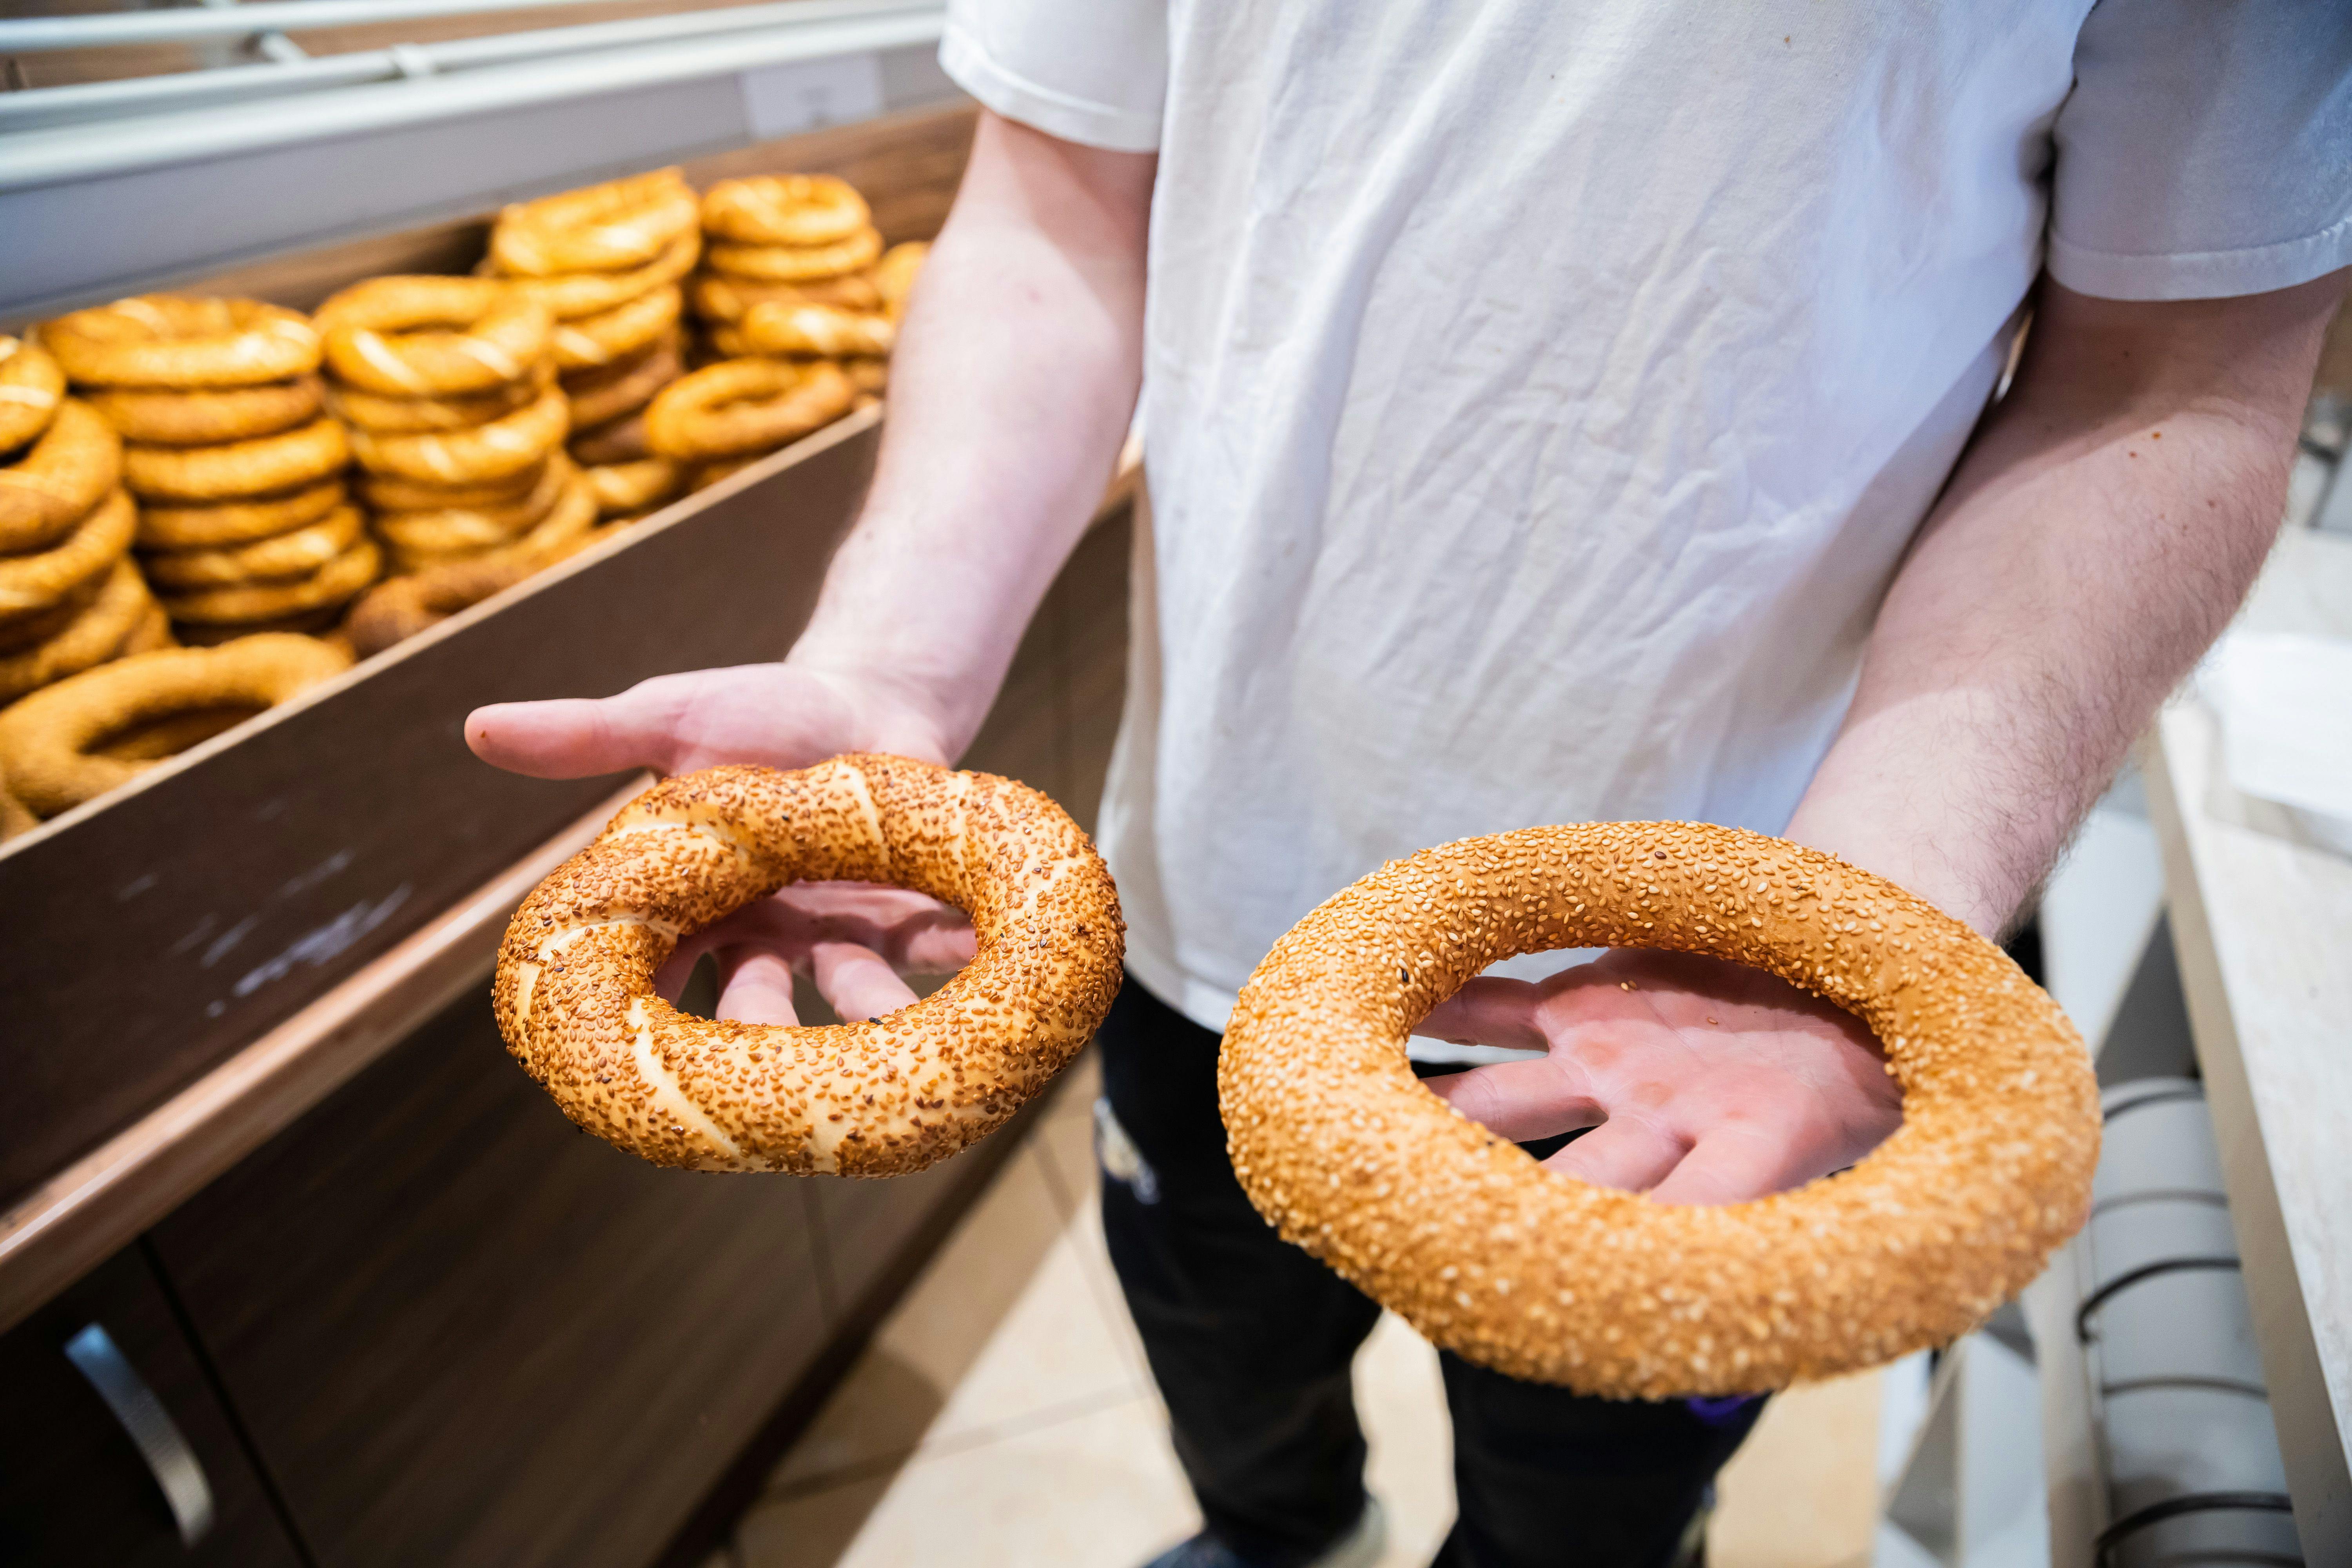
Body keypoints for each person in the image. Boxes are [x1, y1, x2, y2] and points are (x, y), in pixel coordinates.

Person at [470, 2, 2351, 1562]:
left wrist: (1856, 929)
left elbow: (2165, 387)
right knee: (1225, 1366)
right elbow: (1057, 210)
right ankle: (1291, 1538)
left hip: (1727, 998)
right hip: (1186, 891)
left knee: (1584, 1508)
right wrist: (889, 663)